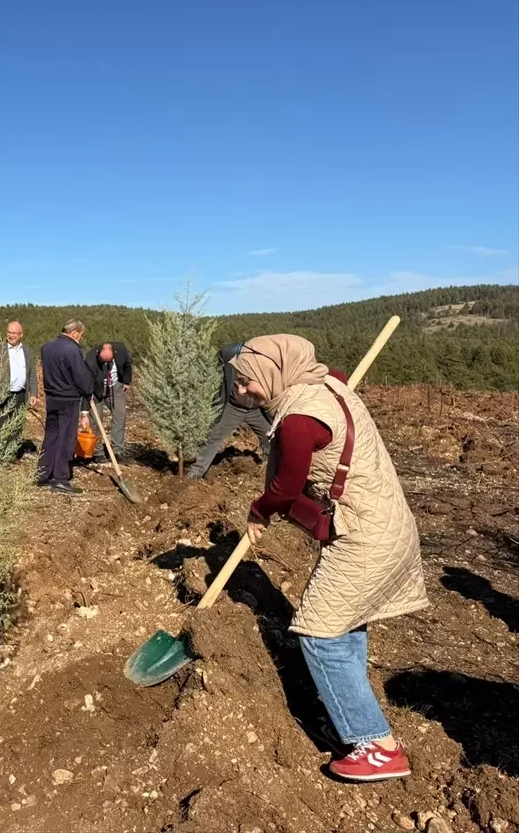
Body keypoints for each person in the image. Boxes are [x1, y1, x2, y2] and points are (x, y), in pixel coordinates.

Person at [232, 335, 428, 782]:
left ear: (275, 374)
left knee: (319, 632)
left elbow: (285, 488)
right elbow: (337, 379)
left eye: (247, 383)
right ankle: (350, 716)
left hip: (367, 535)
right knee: (343, 622)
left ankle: (376, 746)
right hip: (383, 521)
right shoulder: (326, 383)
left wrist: (259, 510)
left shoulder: (299, 420)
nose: (242, 392)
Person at [187, 343, 273, 480]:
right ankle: (196, 473)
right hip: (233, 407)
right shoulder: (230, 358)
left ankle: (270, 466)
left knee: (270, 437)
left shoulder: (265, 364)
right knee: (214, 437)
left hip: (257, 410)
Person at [37, 320, 94, 494]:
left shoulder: (46, 347)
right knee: (66, 438)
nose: (80, 338)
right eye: (81, 335)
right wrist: (88, 390)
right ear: (75, 332)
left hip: (51, 397)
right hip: (68, 399)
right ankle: (60, 478)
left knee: (51, 436)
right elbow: (80, 376)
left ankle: (43, 474)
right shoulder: (72, 349)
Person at [0, 320, 38, 451]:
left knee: (16, 424)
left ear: (21, 334)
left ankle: (12, 453)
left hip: (21, 394)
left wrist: (33, 393)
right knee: (1, 425)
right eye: (9, 332)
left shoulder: (27, 351)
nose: (11, 335)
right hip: (2, 394)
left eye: (14, 333)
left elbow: (32, 373)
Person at [84, 340, 132, 464]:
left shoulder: (121, 350)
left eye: (108, 361)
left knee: (120, 416)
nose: (105, 363)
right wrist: (86, 405)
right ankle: (98, 452)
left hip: (115, 388)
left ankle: (117, 451)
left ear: (114, 355)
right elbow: (86, 384)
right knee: (95, 420)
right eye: (103, 361)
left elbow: (128, 364)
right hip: (97, 390)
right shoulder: (90, 360)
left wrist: (126, 381)